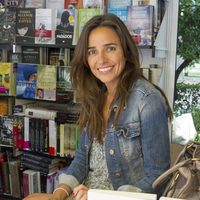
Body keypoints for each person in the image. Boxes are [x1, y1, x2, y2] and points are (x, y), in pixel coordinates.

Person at [24, 13, 172, 200]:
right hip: (87, 193)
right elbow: (81, 159)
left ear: (125, 51)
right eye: (92, 51)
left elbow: (158, 178)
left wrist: (98, 196)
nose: (101, 60)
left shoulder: (148, 101)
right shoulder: (96, 95)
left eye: (110, 48)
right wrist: (60, 192)